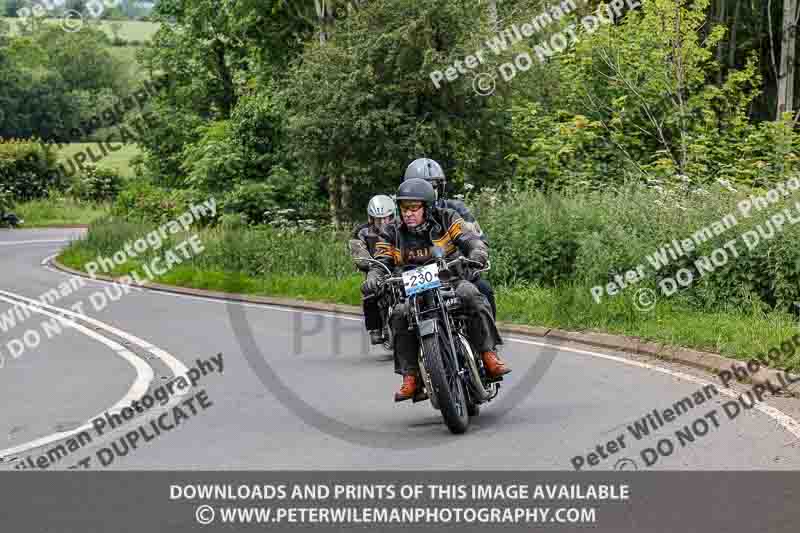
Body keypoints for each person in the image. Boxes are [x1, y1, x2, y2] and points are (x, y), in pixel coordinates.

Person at [362, 178, 511, 402]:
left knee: (472, 295)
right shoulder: (391, 232)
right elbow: (381, 261)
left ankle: (488, 353)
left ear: (428, 207)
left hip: (450, 279)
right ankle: (410, 376)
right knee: (400, 315)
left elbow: (470, 239)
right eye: (404, 208)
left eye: (414, 208)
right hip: (412, 289)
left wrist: (477, 253)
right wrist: (374, 276)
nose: (408, 213)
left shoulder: (447, 217)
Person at [402, 158, 496, 318]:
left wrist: (476, 253)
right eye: (424, 186)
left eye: (435, 186)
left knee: (483, 289)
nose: (431, 191)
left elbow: (475, 238)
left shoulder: (454, 209)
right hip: (418, 277)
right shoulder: (404, 215)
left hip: (455, 272)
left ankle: (488, 342)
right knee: (402, 312)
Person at [349, 194, 397, 345]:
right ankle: (375, 328)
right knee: (369, 291)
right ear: (371, 218)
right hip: (375, 268)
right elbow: (358, 250)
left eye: (386, 218)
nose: (383, 222)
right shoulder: (361, 231)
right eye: (378, 219)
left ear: (393, 215)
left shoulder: (401, 226)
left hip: (399, 267)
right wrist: (366, 263)